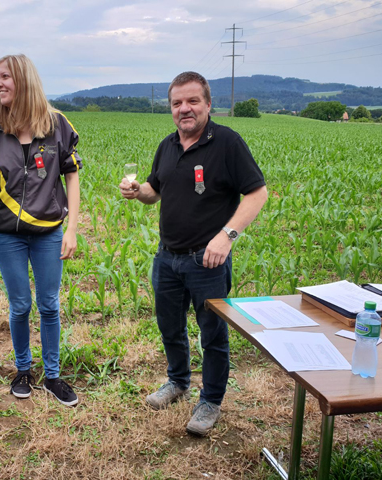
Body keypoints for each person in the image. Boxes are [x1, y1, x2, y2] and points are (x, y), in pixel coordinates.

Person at [119, 71, 267, 436]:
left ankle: (211, 400)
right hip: (167, 256)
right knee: (170, 326)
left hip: (207, 261)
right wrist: (138, 191)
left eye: (192, 101)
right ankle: (178, 381)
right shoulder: (168, 145)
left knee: (212, 334)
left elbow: (257, 193)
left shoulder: (227, 143)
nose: (184, 109)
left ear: (208, 104)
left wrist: (227, 236)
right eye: (177, 103)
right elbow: (155, 189)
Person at [0, 54, 82, 407]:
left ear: (24, 80)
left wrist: (72, 229)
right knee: (20, 305)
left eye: (5, 76)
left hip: (48, 231)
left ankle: (52, 376)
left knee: (49, 304)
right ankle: (23, 370)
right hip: (7, 232)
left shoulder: (56, 124)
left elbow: (72, 176)